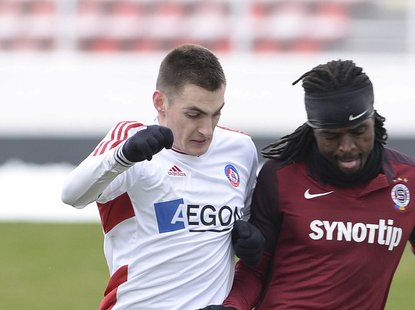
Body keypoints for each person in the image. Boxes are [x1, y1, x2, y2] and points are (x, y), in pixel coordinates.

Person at [205, 60, 415, 309]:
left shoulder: (412, 180)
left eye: (359, 131)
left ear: (374, 121)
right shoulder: (280, 176)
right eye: (331, 136)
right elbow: (255, 266)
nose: (347, 147)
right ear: (313, 131)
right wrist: (233, 307)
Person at [60, 44, 264, 310]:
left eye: (216, 114)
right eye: (194, 114)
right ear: (160, 102)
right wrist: (123, 156)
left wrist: (252, 243)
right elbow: (72, 195)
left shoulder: (239, 148)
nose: (206, 129)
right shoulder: (132, 139)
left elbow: (246, 226)